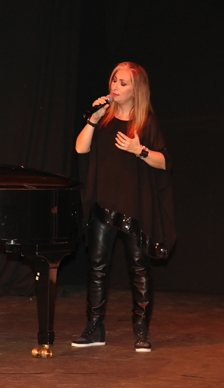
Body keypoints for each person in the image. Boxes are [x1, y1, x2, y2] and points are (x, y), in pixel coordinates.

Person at [71, 62, 175, 352]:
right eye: (114, 80)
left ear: (136, 90)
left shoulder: (146, 122)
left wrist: (138, 150)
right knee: (97, 267)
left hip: (134, 204)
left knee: (139, 268)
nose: (115, 87)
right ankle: (95, 328)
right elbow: (80, 149)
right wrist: (92, 120)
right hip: (103, 202)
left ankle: (141, 330)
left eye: (123, 83)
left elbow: (164, 162)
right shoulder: (103, 118)